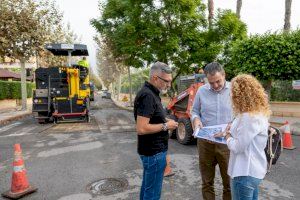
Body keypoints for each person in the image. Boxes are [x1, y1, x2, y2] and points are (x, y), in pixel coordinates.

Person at [215, 74, 270, 200]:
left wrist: (227, 136)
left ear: (239, 95)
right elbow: (245, 136)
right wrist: (226, 132)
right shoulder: (257, 113)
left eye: (233, 92)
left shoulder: (248, 117)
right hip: (254, 171)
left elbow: (238, 146)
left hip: (244, 172)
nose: (231, 96)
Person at [134, 61, 178, 200]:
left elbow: (152, 118)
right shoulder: (147, 96)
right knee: (152, 194)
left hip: (153, 152)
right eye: (166, 81)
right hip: (153, 153)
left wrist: (164, 120)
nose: (169, 85)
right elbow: (141, 128)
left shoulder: (152, 93)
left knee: (148, 188)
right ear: (155, 78)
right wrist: (166, 126)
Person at [191, 62, 232, 200]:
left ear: (224, 74)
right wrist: (196, 120)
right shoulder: (202, 90)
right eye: (211, 82)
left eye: (218, 81)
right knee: (207, 182)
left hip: (227, 144)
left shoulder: (235, 90)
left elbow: (243, 114)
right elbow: (195, 111)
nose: (215, 85)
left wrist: (233, 126)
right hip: (205, 144)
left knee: (229, 183)